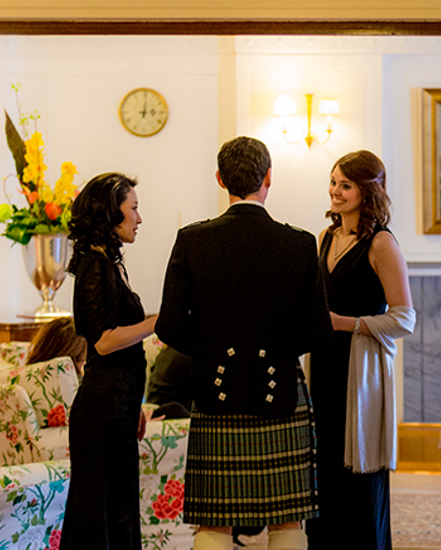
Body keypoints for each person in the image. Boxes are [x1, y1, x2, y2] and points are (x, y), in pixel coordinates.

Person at [155, 136, 331, 550]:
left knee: (213, 521)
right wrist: (279, 349)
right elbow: (319, 330)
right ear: (269, 178)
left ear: (220, 179)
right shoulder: (300, 243)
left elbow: (169, 326)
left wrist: (212, 350)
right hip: (282, 392)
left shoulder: (192, 240)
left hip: (215, 393)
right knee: (288, 520)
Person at [306, 151, 415, 548]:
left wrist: (345, 323)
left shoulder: (382, 243)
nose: (335, 191)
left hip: (361, 373)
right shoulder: (324, 238)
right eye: (334, 181)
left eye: (346, 185)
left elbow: (405, 318)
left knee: (359, 481)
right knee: (324, 475)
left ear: (368, 191)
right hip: (322, 366)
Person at [61, 172, 157, 549]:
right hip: (101, 410)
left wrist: (135, 406)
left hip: (117, 405)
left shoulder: (107, 262)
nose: (139, 218)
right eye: (133, 208)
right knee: (97, 515)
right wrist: (155, 323)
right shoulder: (94, 265)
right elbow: (102, 342)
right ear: (109, 211)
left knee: (116, 509)